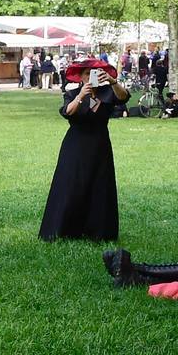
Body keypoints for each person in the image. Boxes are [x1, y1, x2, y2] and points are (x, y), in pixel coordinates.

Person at [39, 62, 129, 241]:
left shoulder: (108, 92)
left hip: (100, 145)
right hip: (75, 146)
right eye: (87, 73)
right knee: (71, 184)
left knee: (100, 185)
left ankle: (98, 231)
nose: (90, 77)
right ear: (80, 77)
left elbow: (124, 97)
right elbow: (67, 112)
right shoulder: (72, 93)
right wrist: (81, 95)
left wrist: (112, 81)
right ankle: (64, 229)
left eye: (95, 73)